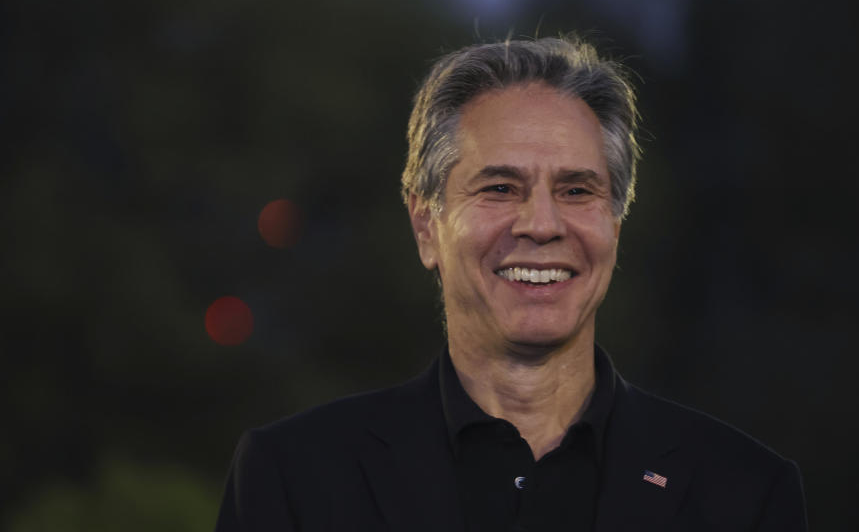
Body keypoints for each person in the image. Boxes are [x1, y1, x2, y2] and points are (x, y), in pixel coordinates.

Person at [215, 37, 808, 531]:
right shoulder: (292, 479)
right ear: (426, 225)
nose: (544, 225)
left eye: (577, 191)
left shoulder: (746, 495)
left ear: (615, 226)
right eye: (500, 188)